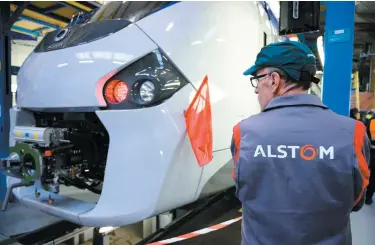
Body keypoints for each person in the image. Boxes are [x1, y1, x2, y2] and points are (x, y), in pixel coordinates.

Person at [230, 41, 371, 245]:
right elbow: (357, 200)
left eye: (257, 79)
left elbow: (243, 191)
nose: (256, 90)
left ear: (274, 79)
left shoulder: (243, 132)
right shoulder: (353, 132)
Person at [365, 112, 375, 204]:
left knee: (372, 176)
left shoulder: (371, 121)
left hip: (373, 152)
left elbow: (366, 138)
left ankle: (368, 197)